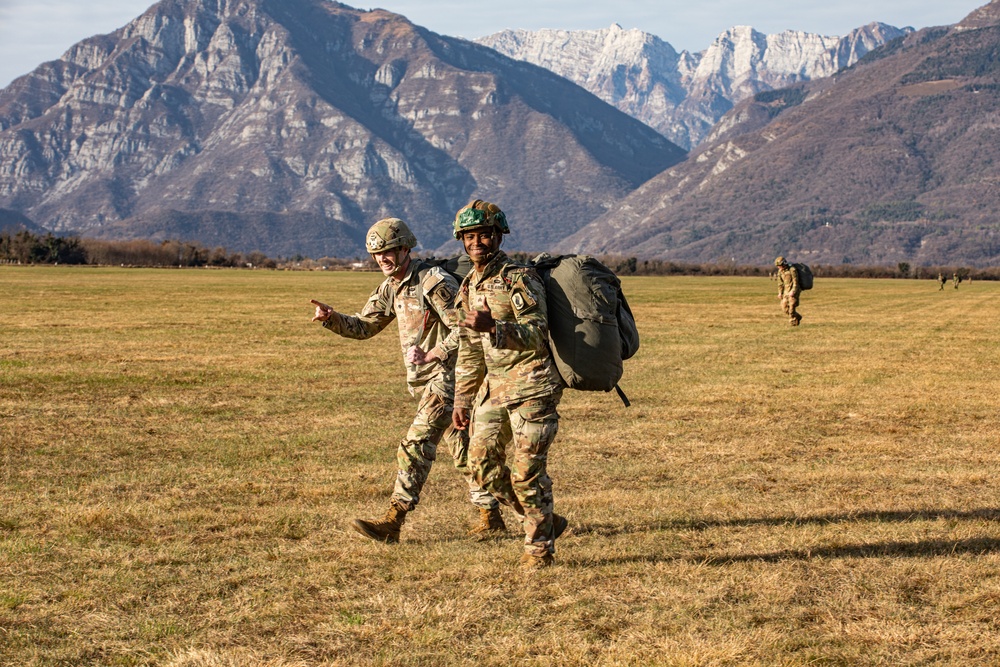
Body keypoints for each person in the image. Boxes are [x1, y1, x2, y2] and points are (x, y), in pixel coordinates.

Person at [310, 217, 505, 544]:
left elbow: (466, 328)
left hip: (450, 379)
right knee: (466, 453)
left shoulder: (434, 282)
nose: (382, 259)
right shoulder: (391, 287)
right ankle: (508, 516)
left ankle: (393, 521)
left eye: (388, 251)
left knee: (415, 444)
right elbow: (365, 326)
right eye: (376, 255)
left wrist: (435, 354)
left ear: (405, 248)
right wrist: (333, 319)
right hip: (430, 383)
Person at [436, 199, 567, 569]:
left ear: (499, 236)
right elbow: (468, 349)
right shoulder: (467, 286)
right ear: (462, 240)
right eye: (470, 235)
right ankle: (542, 519)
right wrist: (462, 400)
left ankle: (538, 550)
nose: (478, 242)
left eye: (486, 235)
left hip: (534, 388)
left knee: (527, 474)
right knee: (481, 464)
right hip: (495, 391)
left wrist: (495, 327)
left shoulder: (518, 278)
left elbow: (538, 332)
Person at [774, 256, 802, 326]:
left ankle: (793, 322)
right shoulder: (780, 271)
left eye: (779, 266)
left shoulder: (792, 270)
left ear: (783, 264)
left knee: (792, 306)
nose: (778, 267)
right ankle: (798, 317)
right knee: (784, 307)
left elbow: (796, 281)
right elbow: (780, 283)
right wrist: (780, 293)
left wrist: (793, 291)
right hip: (786, 292)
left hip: (794, 291)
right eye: (778, 266)